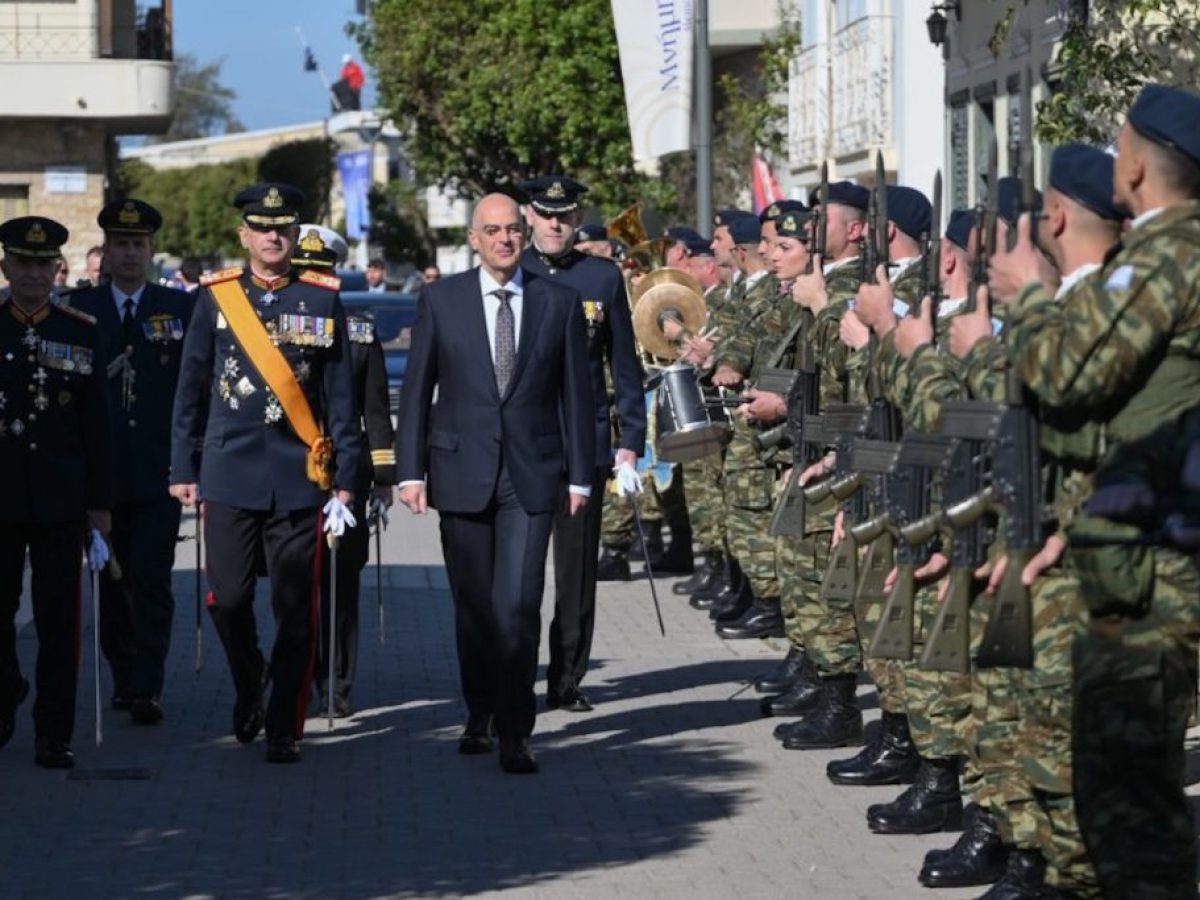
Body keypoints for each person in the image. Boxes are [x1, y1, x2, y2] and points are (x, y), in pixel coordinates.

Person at [986, 83, 1200, 898]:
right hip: (1136, 556)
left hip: (1149, 574)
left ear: (1137, 167)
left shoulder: (1167, 255)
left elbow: (1068, 374)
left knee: (1129, 806)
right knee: (1120, 796)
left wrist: (1027, 300)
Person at [396, 193, 594, 774]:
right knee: (475, 609)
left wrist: (580, 476)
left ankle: (516, 731)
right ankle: (479, 711)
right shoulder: (442, 299)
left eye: (512, 229)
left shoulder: (558, 302)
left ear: (523, 235)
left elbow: (576, 397)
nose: (504, 239)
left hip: (531, 478)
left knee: (519, 605)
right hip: (460, 472)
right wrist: (409, 471)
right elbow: (417, 390)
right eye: (492, 230)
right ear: (474, 239)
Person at [169, 183, 360, 765]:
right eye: (262, 227)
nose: (273, 236)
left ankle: (284, 726)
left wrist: (348, 476)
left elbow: (340, 397)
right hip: (229, 470)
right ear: (244, 235)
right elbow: (191, 387)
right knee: (228, 598)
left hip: (299, 476)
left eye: (283, 227)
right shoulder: (216, 298)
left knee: (296, 609)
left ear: (295, 234)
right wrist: (182, 465)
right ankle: (251, 677)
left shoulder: (322, 299)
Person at [519, 175, 646, 713]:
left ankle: (567, 679)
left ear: (577, 218)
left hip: (582, 443)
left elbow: (625, 364)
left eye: (564, 215)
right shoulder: (512, 271)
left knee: (576, 574)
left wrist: (631, 439)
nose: (555, 224)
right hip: (523, 444)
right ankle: (514, 677)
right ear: (529, 215)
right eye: (545, 214)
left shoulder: (602, 277)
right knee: (520, 573)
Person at [69, 199, 194, 726]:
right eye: (120, 244)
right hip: (98, 474)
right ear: (106, 251)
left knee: (151, 578)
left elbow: (192, 388)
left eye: (137, 245)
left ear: (151, 250)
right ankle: (123, 673)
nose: (128, 254)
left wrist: (192, 463)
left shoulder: (179, 307)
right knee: (111, 580)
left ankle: (147, 684)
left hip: (157, 471)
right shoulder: (79, 308)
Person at [0, 216, 112, 769]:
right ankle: (6, 691)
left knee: (58, 619)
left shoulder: (79, 330)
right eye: (24, 263)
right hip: (1, 497)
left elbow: (98, 426)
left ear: (57, 269)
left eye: (43, 264)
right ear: (6, 266)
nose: (34, 273)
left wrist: (100, 506)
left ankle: (53, 732)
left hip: (60, 498)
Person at [292, 224, 396, 717]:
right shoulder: (274, 330)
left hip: (345, 478)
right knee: (294, 585)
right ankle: (295, 672)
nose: (314, 284)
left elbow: (375, 411)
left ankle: (336, 681)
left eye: (322, 274)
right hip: (289, 475)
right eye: (304, 275)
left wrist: (384, 479)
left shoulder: (358, 333)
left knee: (340, 585)